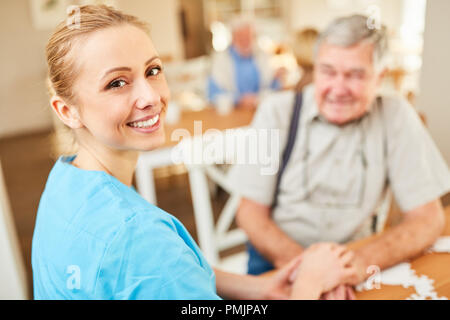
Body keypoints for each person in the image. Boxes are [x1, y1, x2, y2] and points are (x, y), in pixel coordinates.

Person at [31, 5, 357, 300]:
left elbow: (167, 277)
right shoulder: (140, 237)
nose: (150, 97)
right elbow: (155, 265)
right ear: (67, 111)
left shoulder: (64, 181)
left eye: (153, 70)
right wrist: (309, 285)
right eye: (117, 83)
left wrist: (258, 287)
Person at [228, 14, 450, 289]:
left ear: (379, 77)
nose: (338, 88)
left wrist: (354, 265)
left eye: (355, 75)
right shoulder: (277, 111)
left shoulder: (395, 115)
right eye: (328, 71)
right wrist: (312, 274)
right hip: (278, 262)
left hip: (359, 259)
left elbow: (428, 219)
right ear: (315, 68)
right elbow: (250, 213)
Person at [207, 17, 282, 110]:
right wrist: (238, 100)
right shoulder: (220, 59)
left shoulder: (262, 55)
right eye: (240, 36)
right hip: (232, 112)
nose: (245, 41)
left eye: (248, 36)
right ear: (233, 38)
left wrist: (276, 78)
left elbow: (271, 88)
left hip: (259, 110)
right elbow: (213, 95)